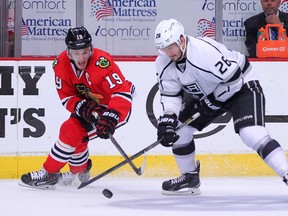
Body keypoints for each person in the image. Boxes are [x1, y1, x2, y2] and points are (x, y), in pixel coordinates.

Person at [154, 18, 288, 195]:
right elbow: (170, 94)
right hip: (210, 92)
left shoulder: (203, 52)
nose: (168, 52)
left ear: (182, 39)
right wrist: (168, 119)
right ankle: (190, 177)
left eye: (170, 46)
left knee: (251, 133)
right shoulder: (163, 62)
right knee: (179, 132)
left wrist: (213, 102)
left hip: (241, 85)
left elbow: (234, 78)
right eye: (163, 48)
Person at [20, 26, 134, 189]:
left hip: (115, 107)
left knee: (71, 130)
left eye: (85, 52)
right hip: (89, 105)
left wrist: (110, 117)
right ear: (68, 52)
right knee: (75, 134)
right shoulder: (61, 65)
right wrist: (82, 107)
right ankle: (79, 173)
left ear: (91, 49)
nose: (81, 58)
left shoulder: (102, 62)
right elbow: (67, 97)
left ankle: (49, 173)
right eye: (76, 53)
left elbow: (121, 93)